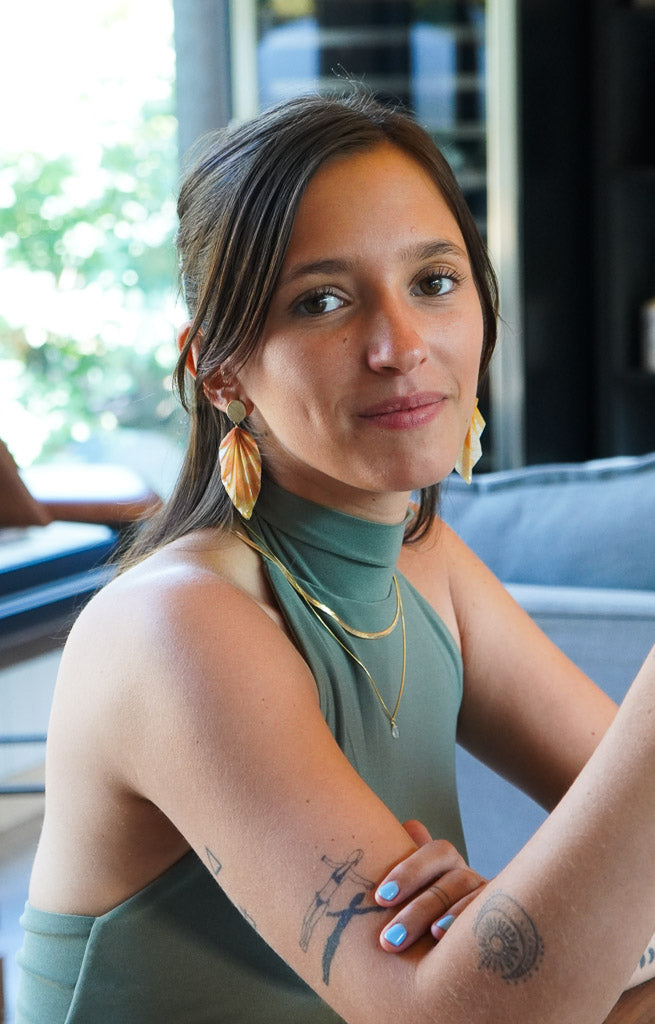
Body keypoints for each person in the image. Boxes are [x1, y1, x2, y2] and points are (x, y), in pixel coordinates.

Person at [15, 92, 655, 1024]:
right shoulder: (174, 627)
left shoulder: (423, 562)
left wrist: (557, 952)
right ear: (219, 371)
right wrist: (549, 957)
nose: (401, 346)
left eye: (433, 281)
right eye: (322, 301)